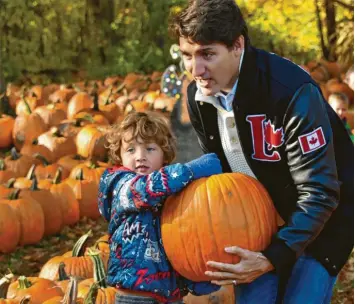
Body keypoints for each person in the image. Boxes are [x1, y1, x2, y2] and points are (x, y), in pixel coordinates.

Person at [170, 0, 354, 303]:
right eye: (187, 55)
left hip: (324, 219)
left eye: (207, 54)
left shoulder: (291, 91)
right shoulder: (197, 95)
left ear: (237, 45)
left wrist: (272, 257)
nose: (196, 69)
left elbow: (320, 191)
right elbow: (217, 173)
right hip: (256, 221)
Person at [98, 111, 222, 304]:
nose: (140, 157)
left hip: (171, 297)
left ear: (164, 154)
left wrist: (195, 276)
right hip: (134, 295)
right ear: (119, 156)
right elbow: (146, 189)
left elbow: (182, 243)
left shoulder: (173, 197)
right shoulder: (121, 185)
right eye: (130, 150)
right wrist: (190, 170)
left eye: (149, 149)